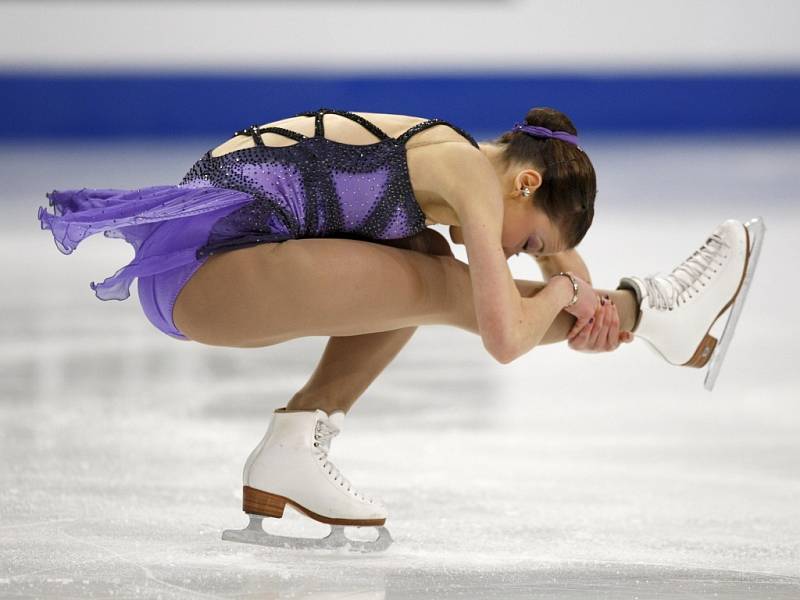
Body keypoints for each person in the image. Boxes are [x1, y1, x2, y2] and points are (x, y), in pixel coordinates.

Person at [37, 107, 761, 551]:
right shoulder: (471, 180)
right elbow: (504, 335)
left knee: (421, 257)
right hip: (205, 270)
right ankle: (660, 314)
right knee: (445, 282)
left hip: (205, 268)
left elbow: (556, 268)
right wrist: (584, 296)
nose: (520, 256)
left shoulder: (467, 161)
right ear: (527, 185)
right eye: (528, 242)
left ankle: (294, 444)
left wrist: (581, 294)